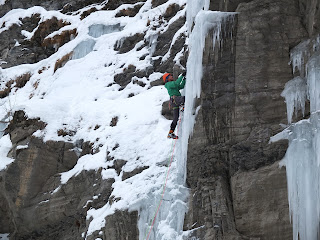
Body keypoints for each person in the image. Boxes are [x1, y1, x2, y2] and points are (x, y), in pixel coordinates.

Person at [163, 72, 186, 139]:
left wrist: (184, 79)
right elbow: (176, 83)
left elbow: (181, 86)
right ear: (167, 78)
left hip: (174, 102)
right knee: (185, 98)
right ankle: (182, 106)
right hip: (176, 99)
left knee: (175, 118)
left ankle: (171, 132)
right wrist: (182, 76)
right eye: (170, 75)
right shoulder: (168, 84)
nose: (172, 76)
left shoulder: (172, 85)